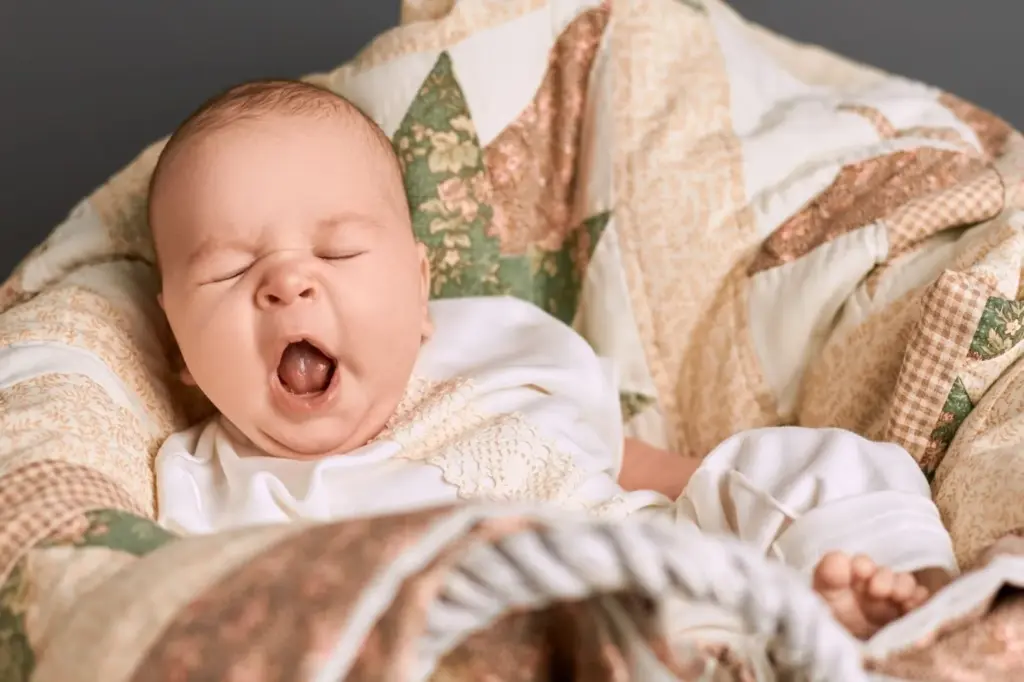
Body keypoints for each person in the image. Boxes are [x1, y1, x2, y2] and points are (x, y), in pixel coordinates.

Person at [149, 79, 956, 642]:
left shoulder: (495, 343)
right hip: (526, 645)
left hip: (681, 566)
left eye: (338, 250)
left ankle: (889, 590)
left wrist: (733, 505)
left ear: (420, 293)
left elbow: (628, 459)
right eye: (227, 271)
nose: (288, 282)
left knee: (804, 463)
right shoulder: (207, 486)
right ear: (177, 343)